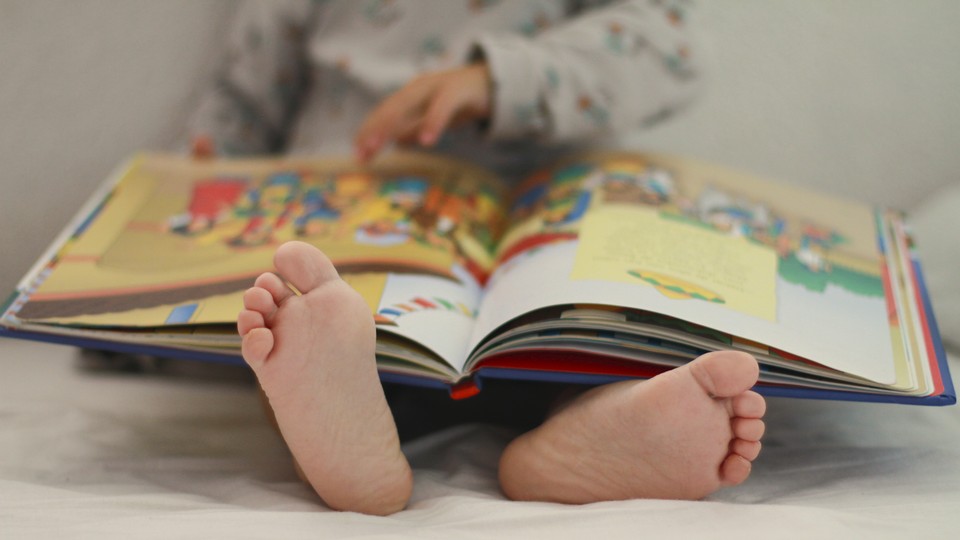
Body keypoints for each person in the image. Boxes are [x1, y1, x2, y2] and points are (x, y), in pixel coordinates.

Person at [194, 0, 766, 515]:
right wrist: (198, 189)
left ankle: (597, 428)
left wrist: (499, 81)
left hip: (538, 229)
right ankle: (337, 424)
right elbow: (246, 96)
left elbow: (671, 42)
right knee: (295, 315)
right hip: (361, 210)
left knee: (603, 319)